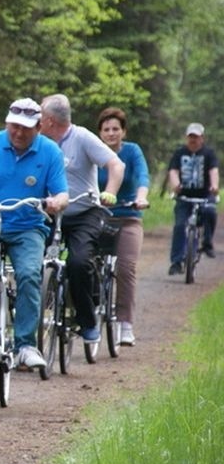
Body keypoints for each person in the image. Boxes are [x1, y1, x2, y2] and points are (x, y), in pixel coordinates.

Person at [0, 98, 68, 370]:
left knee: (30, 273)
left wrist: (56, 202)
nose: (19, 133)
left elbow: (62, 192)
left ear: (39, 127)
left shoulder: (50, 151)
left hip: (28, 226)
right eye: (14, 127)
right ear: (7, 123)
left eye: (26, 128)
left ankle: (25, 344)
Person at [40, 94, 125, 344]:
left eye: (41, 117)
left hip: (83, 212)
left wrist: (110, 191)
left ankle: (87, 321)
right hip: (50, 213)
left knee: (78, 262)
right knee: (31, 259)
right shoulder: (41, 141)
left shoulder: (82, 137)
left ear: (50, 120)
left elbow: (116, 164)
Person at [97, 107, 150, 346]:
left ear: (123, 131)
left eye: (115, 129)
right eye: (106, 129)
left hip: (129, 215)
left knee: (126, 268)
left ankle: (125, 323)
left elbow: (142, 176)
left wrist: (141, 197)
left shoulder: (132, 152)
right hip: (97, 217)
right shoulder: (94, 151)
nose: (111, 133)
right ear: (99, 133)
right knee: (85, 263)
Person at [167, 122, 219, 275]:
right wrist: (175, 184)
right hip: (184, 196)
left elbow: (213, 171)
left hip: (204, 195)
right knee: (179, 226)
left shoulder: (209, 153)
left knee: (210, 213)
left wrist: (214, 186)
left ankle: (207, 243)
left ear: (202, 138)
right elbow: (173, 171)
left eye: (196, 137)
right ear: (186, 137)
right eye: (190, 136)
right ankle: (176, 262)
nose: (193, 140)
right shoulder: (179, 153)